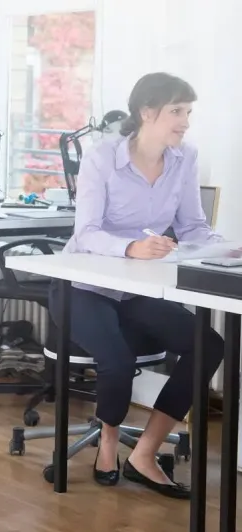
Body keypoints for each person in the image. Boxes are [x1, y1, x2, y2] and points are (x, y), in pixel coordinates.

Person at [62, 72, 226, 499]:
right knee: (116, 361)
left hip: (134, 290)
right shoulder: (101, 158)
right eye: (177, 111)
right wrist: (132, 247)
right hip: (84, 287)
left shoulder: (183, 158)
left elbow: (193, 226)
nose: (185, 122)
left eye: (188, 112)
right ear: (147, 112)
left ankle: (145, 453)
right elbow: (86, 233)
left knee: (208, 344)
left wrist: (228, 249)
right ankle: (109, 444)